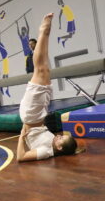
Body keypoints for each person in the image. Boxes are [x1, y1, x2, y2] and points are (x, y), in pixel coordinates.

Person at [17, 13, 80, 162]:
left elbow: (21, 157)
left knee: (40, 70)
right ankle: (44, 33)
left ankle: (43, 32)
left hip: (30, 115)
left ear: (59, 148)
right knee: (45, 70)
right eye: (61, 136)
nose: (58, 135)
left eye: (60, 139)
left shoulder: (46, 152)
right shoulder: (53, 145)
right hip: (39, 114)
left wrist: (21, 137)